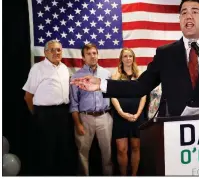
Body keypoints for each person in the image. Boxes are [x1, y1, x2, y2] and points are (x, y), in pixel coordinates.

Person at [71, 0, 199, 116]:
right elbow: (140, 86)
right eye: (184, 12)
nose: (188, 16)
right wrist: (101, 84)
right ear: (179, 19)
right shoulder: (165, 54)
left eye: (195, 11)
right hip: (173, 134)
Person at [23, 40, 76, 175]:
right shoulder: (38, 68)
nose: (55, 52)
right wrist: (37, 115)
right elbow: (28, 96)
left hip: (64, 113)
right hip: (44, 114)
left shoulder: (64, 68)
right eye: (52, 50)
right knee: (47, 150)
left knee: (63, 149)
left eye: (58, 50)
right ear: (45, 52)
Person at [69, 43, 113, 176]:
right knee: (83, 153)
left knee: (108, 153)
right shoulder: (76, 76)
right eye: (88, 54)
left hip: (104, 117)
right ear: (83, 57)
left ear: (97, 55)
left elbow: (112, 96)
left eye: (94, 53)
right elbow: (74, 103)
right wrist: (78, 124)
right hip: (85, 118)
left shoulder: (106, 74)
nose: (92, 56)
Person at [111, 48, 146, 176]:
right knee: (121, 149)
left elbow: (144, 95)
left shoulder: (139, 75)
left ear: (133, 58)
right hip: (121, 117)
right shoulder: (115, 75)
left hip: (137, 116)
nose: (128, 59)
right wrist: (121, 112)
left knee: (136, 147)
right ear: (121, 59)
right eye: (125, 56)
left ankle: (134, 175)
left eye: (130, 56)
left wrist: (137, 113)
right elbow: (112, 96)